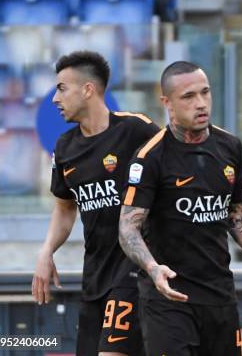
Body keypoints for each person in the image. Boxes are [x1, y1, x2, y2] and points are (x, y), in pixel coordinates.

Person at [117, 61, 242, 356]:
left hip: (219, 296)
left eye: (205, 93)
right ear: (167, 103)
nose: (201, 103)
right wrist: (153, 269)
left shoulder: (229, 146)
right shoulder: (150, 157)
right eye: (189, 97)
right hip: (170, 299)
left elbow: (237, 214)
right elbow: (128, 228)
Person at [32, 51, 160, 355]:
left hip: (135, 271)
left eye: (62, 88)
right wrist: (46, 250)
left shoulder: (137, 129)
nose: (54, 99)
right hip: (95, 276)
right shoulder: (64, 147)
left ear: (88, 89)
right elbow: (65, 207)